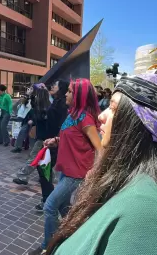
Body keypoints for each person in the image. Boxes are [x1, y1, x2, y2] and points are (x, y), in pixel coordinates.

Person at [40, 74, 157, 255]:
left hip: (75, 173)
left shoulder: (148, 216)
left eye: (113, 108)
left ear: (144, 123)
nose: (102, 116)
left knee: (50, 206)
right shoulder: (142, 185)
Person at [29, 78, 102, 255]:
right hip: (66, 169)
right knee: (64, 209)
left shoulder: (85, 118)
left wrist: (96, 171)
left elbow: (100, 148)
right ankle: (74, 238)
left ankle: (48, 247)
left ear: (78, 95)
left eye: (70, 91)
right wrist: (56, 140)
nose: (66, 94)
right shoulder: (73, 114)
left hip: (77, 172)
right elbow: (73, 137)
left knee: (50, 206)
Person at [35, 79, 69, 211]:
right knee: (43, 168)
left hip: (55, 142)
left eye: (55, 85)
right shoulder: (55, 101)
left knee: (43, 168)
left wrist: (56, 139)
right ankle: (49, 198)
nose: (53, 86)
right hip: (49, 139)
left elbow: (61, 124)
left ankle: (49, 200)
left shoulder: (63, 105)